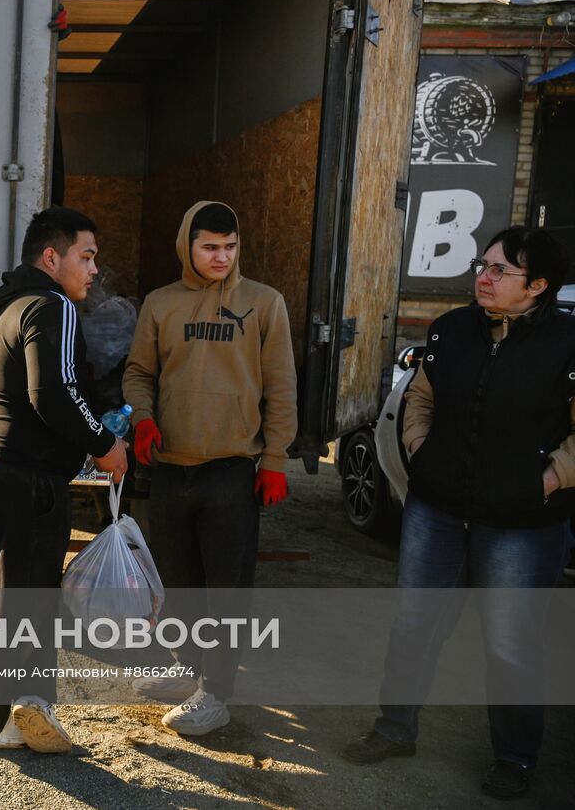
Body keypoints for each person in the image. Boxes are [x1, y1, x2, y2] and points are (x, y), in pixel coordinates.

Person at [343, 226, 575, 802]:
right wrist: (423, 451)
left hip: (523, 524)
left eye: (500, 270)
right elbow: (420, 395)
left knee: (511, 642)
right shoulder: (451, 330)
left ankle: (515, 758)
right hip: (438, 509)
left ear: (539, 286)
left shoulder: (568, 343)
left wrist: (548, 480)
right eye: (482, 264)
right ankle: (394, 729)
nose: (484, 277)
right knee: (415, 623)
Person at [0, 206, 129, 753]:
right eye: (87, 255)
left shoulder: (2, 304)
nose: (94, 269)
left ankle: (31, 704)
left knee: (23, 592)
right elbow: (52, 392)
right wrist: (105, 444)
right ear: (52, 258)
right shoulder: (53, 305)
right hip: (18, 474)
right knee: (21, 599)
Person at [121, 200, 297, 735]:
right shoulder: (160, 303)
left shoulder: (264, 303)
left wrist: (275, 458)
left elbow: (281, 384)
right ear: (187, 247)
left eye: (230, 246)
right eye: (209, 247)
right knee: (179, 582)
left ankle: (215, 693)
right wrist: (144, 420)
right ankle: (189, 671)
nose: (221, 257)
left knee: (227, 589)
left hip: (233, 469)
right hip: (171, 468)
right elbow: (138, 373)